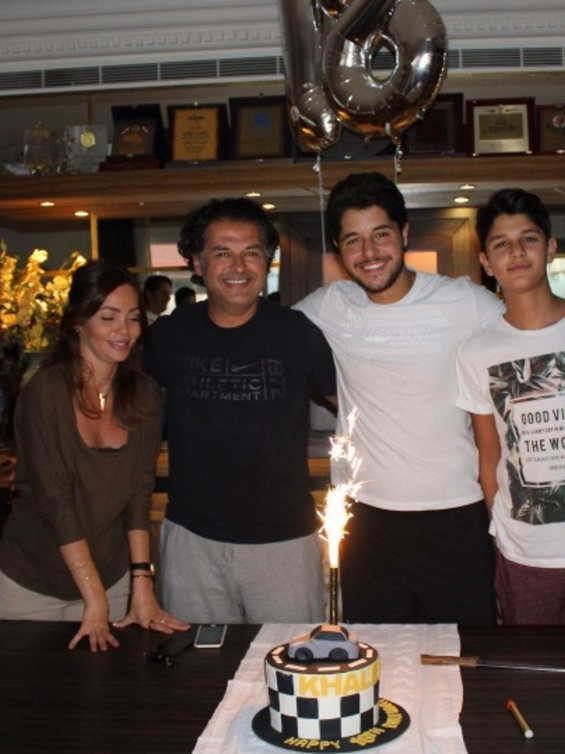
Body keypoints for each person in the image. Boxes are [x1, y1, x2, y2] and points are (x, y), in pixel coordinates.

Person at [295, 171, 504, 625]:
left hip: (456, 514)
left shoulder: (464, 300)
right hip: (365, 521)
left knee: (466, 650)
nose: (369, 253)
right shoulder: (328, 306)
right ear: (338, 248)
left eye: (381, 234)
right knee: (378, 651)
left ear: (404, 233)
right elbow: (267, 344)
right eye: (353, 240)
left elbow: (531, 339)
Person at [144, 198, 337, 624]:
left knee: (290, 657)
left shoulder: (297, 333)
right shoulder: (170, 334)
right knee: (195, 658)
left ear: (267, 262)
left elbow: (353, 403)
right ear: (197, 262)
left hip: (285, 542)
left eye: (251, 253)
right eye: (222, 253)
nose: (239, 266)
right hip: (192, 540)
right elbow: (131, 407)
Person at [0, 260, 188, 651]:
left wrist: (141, 583)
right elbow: (55, 500)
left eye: (133, 318)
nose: (124, 330)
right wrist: (93, 596)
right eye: (108, 317)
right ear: (78, 322)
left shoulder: (145, 395)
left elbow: (139, 493)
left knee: (110, 686)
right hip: (32, 583)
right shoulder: (45, 392)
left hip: (111, 577)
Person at [457, 188, 565, 624]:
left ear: (550, 248)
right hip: (526, 554)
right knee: (531, 665)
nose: (516, 252)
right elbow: (489, 455)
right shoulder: (476, 352)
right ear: (486, 262)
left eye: (528, 239)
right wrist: (502, 532)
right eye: (501, 244)